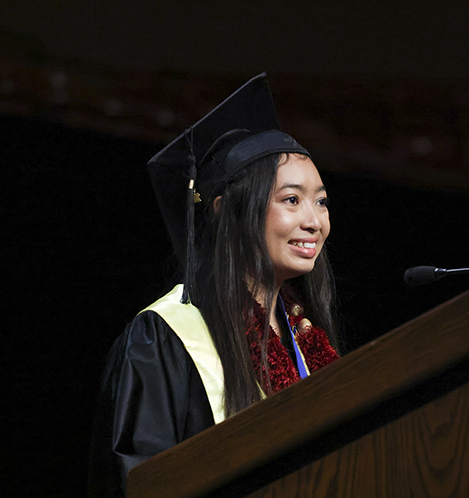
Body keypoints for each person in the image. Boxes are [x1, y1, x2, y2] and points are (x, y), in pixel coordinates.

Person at [87, 74, 341, 497]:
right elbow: (138, 481)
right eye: (292, 200)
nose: (314, 221)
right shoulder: (165, 338)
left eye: (321, 201)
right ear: (226, 211)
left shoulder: (306, 337)